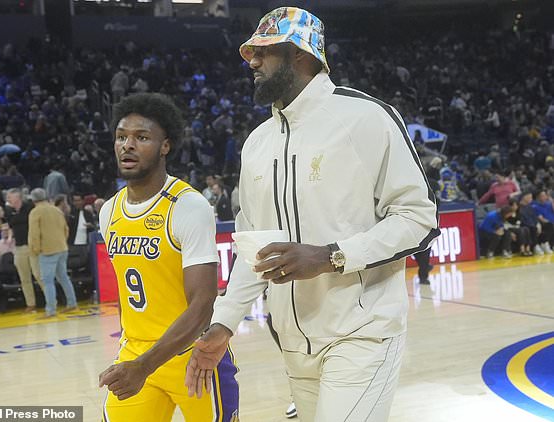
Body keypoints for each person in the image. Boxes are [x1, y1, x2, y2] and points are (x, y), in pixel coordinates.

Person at [185, 8, 439, 422]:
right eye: (251, 52)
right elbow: (254, 248)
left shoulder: (365, 117)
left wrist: (330, 256)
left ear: (302, 55)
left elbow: (419, 218)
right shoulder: (257, 143)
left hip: (363, 333)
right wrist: (224, 323)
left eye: (264, 52)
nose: (252, 61)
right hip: (291, 344)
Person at [98, 93, 238, 421]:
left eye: (141, 137)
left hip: (193, 356)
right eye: (121, 137)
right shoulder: (110, 211)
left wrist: (144, 366)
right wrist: (137, 361)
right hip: (135, 352)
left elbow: (202, 306)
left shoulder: (187, 206)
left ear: (165, 146)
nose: (127, 145)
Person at [28, 188, 78, 318]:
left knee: (47, 281)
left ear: (33, 199)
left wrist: (36, 249)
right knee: (63, 277)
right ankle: (72, 303)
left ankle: (50, 310)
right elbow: (65, 228)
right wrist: (62, 241)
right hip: (62, 247)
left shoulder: (35, 212)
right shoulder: (56, 210)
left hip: (47, 250)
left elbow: (34, 233)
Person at [6, 188, 43, 313]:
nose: (8, 199)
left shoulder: (30, 207)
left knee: (39, 275)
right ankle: (31, 304)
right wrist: (10, 237)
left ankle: (51, 300)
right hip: (19, 247)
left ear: (18, 197)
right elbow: (10, 226)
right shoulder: (9, 211)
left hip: (32, 246)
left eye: (10, 197)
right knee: (24, 278)